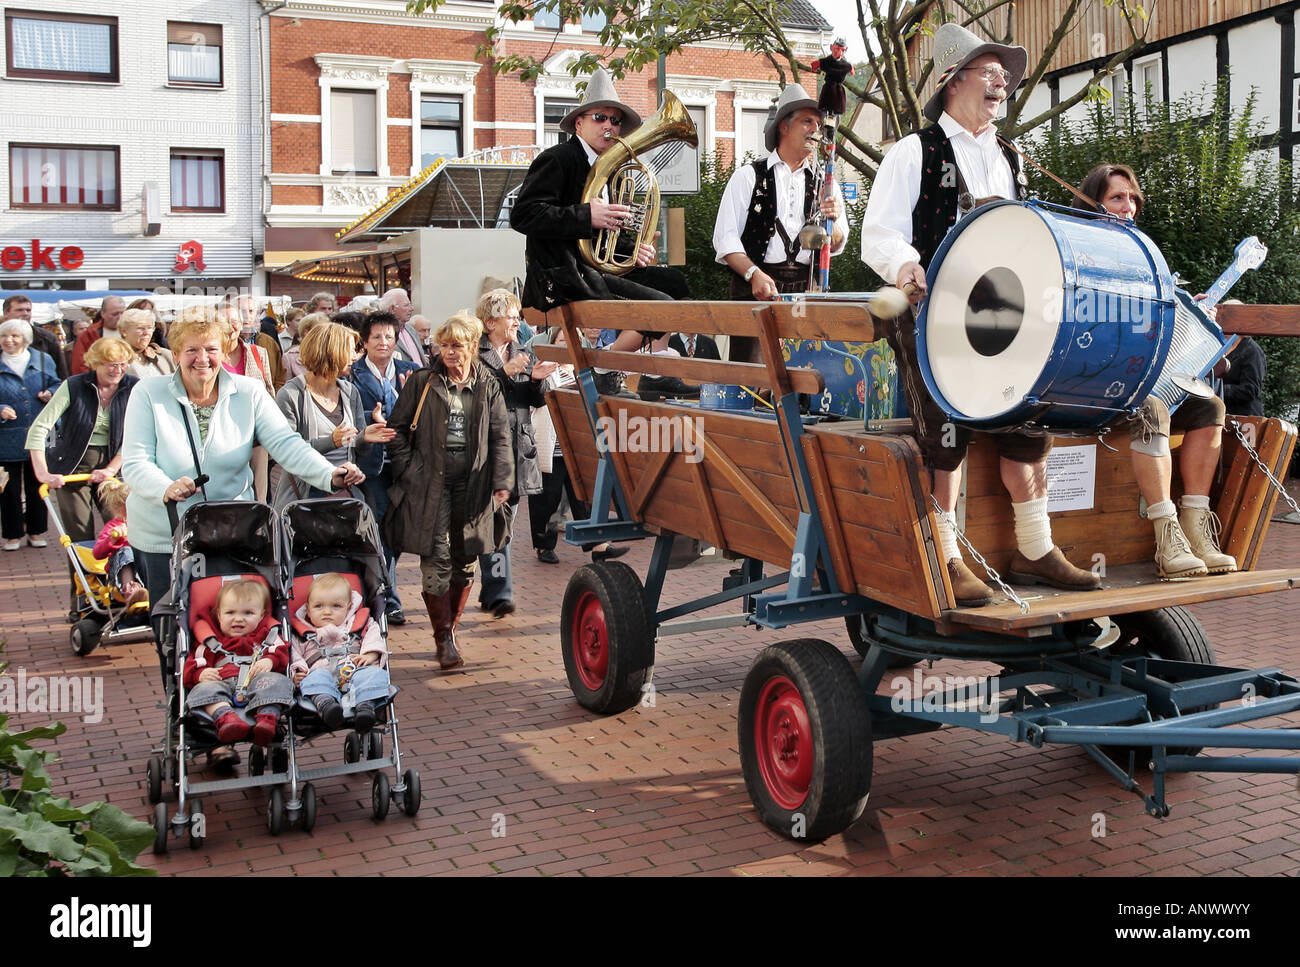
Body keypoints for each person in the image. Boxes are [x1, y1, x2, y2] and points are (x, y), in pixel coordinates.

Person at [860, 21, 1100, 606]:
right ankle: (943, 557)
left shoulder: (1013, 156)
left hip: (1005, 316)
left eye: (1004, 79)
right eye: (989, 75)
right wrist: (905, 268)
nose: (1001, 86)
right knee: (946, 437)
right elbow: (878, 233)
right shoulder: (914, 151)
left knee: (1027, 422)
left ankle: (1034, 548)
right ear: (951, 80)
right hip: (933, 316)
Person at [119, 307, 364, 686]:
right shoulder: (147, 393)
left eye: (211, 349)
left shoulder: (246, 392)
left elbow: (285, 443)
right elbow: (134, 461)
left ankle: (244, 700)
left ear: (226, 349)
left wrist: (328, 474)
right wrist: (164, 487)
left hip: (233, 529)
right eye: (192, 350)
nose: (203, 359)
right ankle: (184, 709)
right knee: (175, 629)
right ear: (176, 351)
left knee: (240, 618)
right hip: (164, 531)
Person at [1074, 163, 1235, 577]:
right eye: (1116, 198)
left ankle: (1196, 530)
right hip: (1085, 379)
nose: (1128, 207)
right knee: (1151, 409)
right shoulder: (1078, 254)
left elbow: (1155, 324)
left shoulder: (1144, 257)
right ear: (1094, 202)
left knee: (1208, 407)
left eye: (1132, 198)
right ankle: (1167, 537)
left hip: (1134, 376)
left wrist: (1192, 309)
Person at [510, 66, 690, 387]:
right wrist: (585, 215)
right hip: (561, 276)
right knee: (662, 306)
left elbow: (603, 239)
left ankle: (618, 363)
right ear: (579, 124)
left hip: (593, 270)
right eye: (600, 118)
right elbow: (523, 214)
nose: (609, 126)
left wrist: (632, 252)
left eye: (615, 120)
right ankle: (608, 365)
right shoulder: (559, 158)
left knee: (675, 282)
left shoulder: (611, 170)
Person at [383, 312, 513, 671]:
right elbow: (396, 431)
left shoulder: (488, 382)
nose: (449, 352)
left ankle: (451, 629)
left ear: (472, 346)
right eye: (444, 345)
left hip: (474, 486)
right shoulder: (423, 381)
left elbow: (502, 434)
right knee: (437, 556)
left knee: (466, 559)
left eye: (457, 345)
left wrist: (502, 480)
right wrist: (410, 470)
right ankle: (443, 637)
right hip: (431, 484)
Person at [714, 83, 849, 302]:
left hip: (806, 294)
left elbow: (834, 244)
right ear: (783, 127)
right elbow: (725, 239)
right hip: (753, 292)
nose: (816, 129)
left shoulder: (825, 181)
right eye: (807, 121)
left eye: (818, 123)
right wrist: (753, 274)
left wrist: (831, 221)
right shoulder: (748, 176)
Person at [474, 289, 558, 617]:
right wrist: (504, 373)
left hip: (518, 449)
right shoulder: (474, 352)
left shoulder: (524, 350)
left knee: (505, 525)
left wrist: (537, 381)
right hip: (485, 452)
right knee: (492, 523)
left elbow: (537, 401)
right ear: (490, 321)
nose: (517, 322)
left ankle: (495, 589)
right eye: (511, 316)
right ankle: (499, 592)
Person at [273, 322, 392, 511]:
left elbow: (358, 452)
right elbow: (287, 453)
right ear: (330, 351)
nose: (355, 357)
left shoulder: (349, 391)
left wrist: (365, 437)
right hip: (306, 500)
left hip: (346, 498)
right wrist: (332, 442)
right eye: (350, 351)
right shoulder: (292, 395)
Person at [349, 311, 420, 624]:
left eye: (389, 336)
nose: (383, 342)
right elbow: (348, 416)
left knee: (397, 530)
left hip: (405, 463)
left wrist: (408, 402)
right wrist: (370, 417)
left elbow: (425, 414)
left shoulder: (411, 371)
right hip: (373, 464)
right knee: (378, 525)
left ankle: (377, 587)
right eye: (376, 336)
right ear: (364, 341)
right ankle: (387, 597)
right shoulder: (352, 375)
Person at [185, 579, 292, 747]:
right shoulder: (211, 641)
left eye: (248, 613)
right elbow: (194, 663)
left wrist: (269, 660)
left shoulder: (266, 636)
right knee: (203, 690)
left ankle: (267, 719)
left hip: (258, 681)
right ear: (219, 615)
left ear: (261, 615)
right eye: (230, 613)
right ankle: (225, 718)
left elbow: (282, 650)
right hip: (221, 682)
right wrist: (200, 674)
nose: (238, 619)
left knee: (278, 682)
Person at [289, 572, 389, 732]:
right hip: (319, 671)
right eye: (318, 606)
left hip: (354, 669)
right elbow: (294, 653)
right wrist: (297, 671)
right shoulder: (302, 633)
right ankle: (326, 705)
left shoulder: (358, 623)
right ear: (307, 609)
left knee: (373, 674)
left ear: (348, 607)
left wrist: (370, 654)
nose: (326, 612)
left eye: (336, 606)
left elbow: (373, 635)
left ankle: (366, 708)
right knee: (313, 679)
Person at [1, 319, 59, 551]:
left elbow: (59, 385)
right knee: (8, 490)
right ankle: (12, 535)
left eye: (14, 336)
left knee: (37, 486)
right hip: (6, 436)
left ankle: (36, 532)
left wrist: (50, 392)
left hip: (38, 434)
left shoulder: (43, 360)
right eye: (4, 336)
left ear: (25, 339)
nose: (8, 340)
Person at [90, 477, 145, 606]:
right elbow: (97, 553)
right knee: (126, 551)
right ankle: (131, 591)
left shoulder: (143, 523)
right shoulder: (113, 527)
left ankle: (144, 589)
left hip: (143, 568)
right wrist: (113, 539)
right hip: (119, 576)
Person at [4, 294, 67, 380]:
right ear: (6, 313)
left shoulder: (47, 338)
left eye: (28, 310)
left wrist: (51, 390)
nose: (25, 313)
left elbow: (61, 373)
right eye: (19, 310)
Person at [69, 296, 126, 374]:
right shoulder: (90, 334)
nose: (119, 317)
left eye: (122, 313)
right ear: (103, 313)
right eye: (114, 314)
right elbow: (80, 365)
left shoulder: (133, 331)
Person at [120, 309, 176, 379]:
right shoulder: (114, 357)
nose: (146, 333)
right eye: (140, 328)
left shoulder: (166, 355)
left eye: (150, 328)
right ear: (124, 331)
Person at [378, 288, 427, 367]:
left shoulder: (411, 330)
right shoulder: (382, 334)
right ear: (392, 309)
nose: (412, 309)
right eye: (406, 305)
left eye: (410, 305)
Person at [812, 37, 855, 116]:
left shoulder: (847, 65)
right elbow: (814, 65)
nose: (839, 52)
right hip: (828, 90)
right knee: (825, 113)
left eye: (842, 50)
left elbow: (852, 72)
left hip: (838, 92)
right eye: (837, 49)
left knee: (835, 115)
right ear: (831, 47)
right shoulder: (824, 62)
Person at [283, 311, 329, 381]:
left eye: (327, 330)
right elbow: (285, 387)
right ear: (306, 332)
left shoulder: (331, 353)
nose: (326, 334)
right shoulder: (289, 357)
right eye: (321, 330)